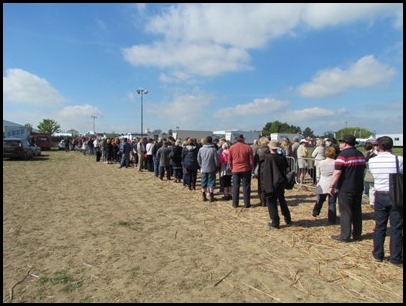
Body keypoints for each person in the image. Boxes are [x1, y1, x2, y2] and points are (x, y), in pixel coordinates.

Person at [368, 136, 403, 265]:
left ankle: (377, 254)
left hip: (380, 193)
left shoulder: (372, 161)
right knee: (396, 227)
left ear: (379, 146)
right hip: (395, 194)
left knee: (380, 226)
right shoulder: (398, 160)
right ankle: (395, 257)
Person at [329, 135, 366, 242]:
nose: (340, 144)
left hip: (346, 187)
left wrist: (332, 186)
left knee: (345, 211)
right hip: (358, 187)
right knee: (357, 211)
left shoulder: (342, 155)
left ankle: (345, 235)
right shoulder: (360, 154)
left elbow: (337, 172)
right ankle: (357, 234)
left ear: (345, 143)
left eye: (341, 142)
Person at [260, 140, 291, 229]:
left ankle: (275, 222)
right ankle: (287, 218)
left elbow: (265, 172)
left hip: (271, 182)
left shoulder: (268, 157)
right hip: (280, 182)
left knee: (271, 202)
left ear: (270, 147)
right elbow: (286, 168)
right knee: (282, 200)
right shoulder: (282, 157)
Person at [312, 146, 337, 224]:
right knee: (332, 202)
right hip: (333, 183)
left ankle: (316, 210)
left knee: (320, 200)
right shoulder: (336, 163)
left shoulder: (321, 162)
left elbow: (318, 174)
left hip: (323, 182)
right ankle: (332, 219)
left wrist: (318, 181)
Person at [228, 134, 254, 208]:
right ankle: (247, 203)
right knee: (246, 187)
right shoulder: (248, 147)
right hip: (246, 169)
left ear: (236, 140)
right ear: (243, 139)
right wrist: (251, 168)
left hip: (235, 169)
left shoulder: (232, 148)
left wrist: (231, 168)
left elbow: (229, 160)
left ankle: (235, 203)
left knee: (235, 186)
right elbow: (251, 161)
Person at [197, 136, 219, 202]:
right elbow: (216, 160)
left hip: (203, 168)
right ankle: (211, 196)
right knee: (211, 182)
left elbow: (198, 159)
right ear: (211, 141)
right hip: (211, 168)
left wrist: (201, 165)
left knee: (204, 182)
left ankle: (204, 195)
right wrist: (216, 166)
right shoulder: (213, 149)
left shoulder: (201, 149)